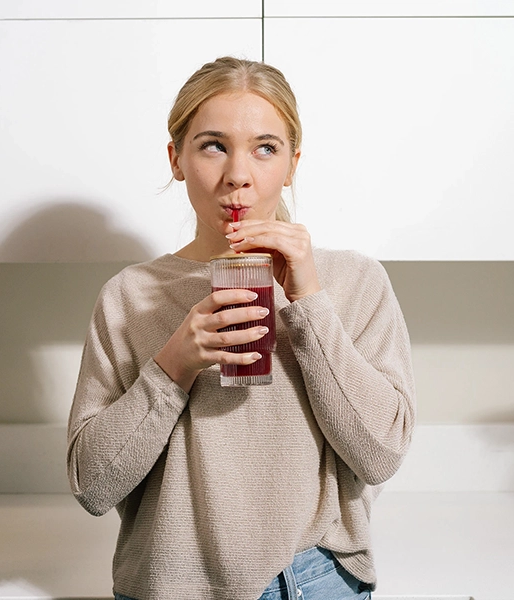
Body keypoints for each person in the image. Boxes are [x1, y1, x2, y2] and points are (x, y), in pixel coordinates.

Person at [67, 56, 416, 600]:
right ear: (176, 158)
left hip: (315, 578)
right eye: (212, 145)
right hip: (170, 582)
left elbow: (381, 454)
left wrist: (308, 301)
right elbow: (92, 486)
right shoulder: (129, 297)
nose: (238, 174)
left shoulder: (352, 281)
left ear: (292, 163)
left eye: (265, 147)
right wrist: (173, 365)